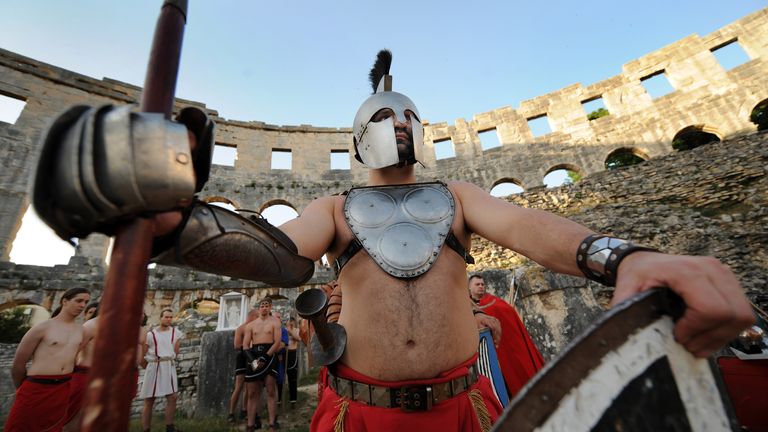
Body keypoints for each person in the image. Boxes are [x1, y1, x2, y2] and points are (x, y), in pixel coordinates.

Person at [41, 49, 755, 431]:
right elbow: (278, 255)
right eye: (389, 117)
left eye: (411, 117)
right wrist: (180, 225)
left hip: (461, 409)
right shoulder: (336, 207)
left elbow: (534, 231)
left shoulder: (459, 198)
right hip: (359, 414)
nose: (404, 126)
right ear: (363, 135)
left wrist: (622, 256)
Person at [4, 288, 90, 432]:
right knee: (20, 426)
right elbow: (18, 365)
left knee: (53, 427)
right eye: (79, 301)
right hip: (36, 387)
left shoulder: (81, 331)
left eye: (86, 302)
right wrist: (24, 389)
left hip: (63, 387)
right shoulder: (42, 328)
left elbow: (74, 359)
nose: (83, 305)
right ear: (65, 301)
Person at [469, 274, 545, 398]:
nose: (481, 286)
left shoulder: (495, 303)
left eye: (483, 284)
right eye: (477, 284)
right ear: (469, 288)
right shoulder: (464, 307)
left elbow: (510, 325)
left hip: (505, 352)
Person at [139, 309, 183, 432]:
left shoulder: (176, 333)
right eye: (166, 317)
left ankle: (169, 427)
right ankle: (146, 429)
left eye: (170, 317)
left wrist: (169, 361)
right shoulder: (151, 334)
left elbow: (176, 351)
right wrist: (146, 367)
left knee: (173, 397)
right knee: (149, 399)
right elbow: (144, 353)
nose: (169, 319)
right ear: (160, 318)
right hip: (154, 366)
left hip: (168, 365)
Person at [243, 297, 282, 432]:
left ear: (270, 307)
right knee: (252, 393)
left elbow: (277, 342)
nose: (264, 308)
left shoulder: (275, 322)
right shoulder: (250, 325)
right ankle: (250, 425)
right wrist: (253, 361)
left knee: (271, 390)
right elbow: (245, 346)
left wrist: (265, 358)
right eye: (262, 305)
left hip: (269, 355)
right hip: (253, 356)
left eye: (267, 305)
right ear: (259, 308)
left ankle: (272, 423)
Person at [63, 301, 99, 432]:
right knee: (75, 416)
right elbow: (72, 354)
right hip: (84, 375)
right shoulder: (90, 326)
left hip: (102, 377)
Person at [229, 308, 258, 424]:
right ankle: (231, 413)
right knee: (239, 386)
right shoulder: (241, 328)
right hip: (242, 357)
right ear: (251, 317)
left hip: (252, 357)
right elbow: (236, 345)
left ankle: (244, 410)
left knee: (249, 386)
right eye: (256, 316)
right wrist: (247, 346)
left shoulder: (256, 328)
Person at [284, 317, 302, 406]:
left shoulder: (296, 330)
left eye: (292, 322)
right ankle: (280, 399)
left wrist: (290, 331)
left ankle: (293, 400)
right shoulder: (283, 330)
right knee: (282, 377)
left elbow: (299, 339)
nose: (290, 323)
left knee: (292, 377)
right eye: (289, 321)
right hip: (283, 354)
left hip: (292, 353)